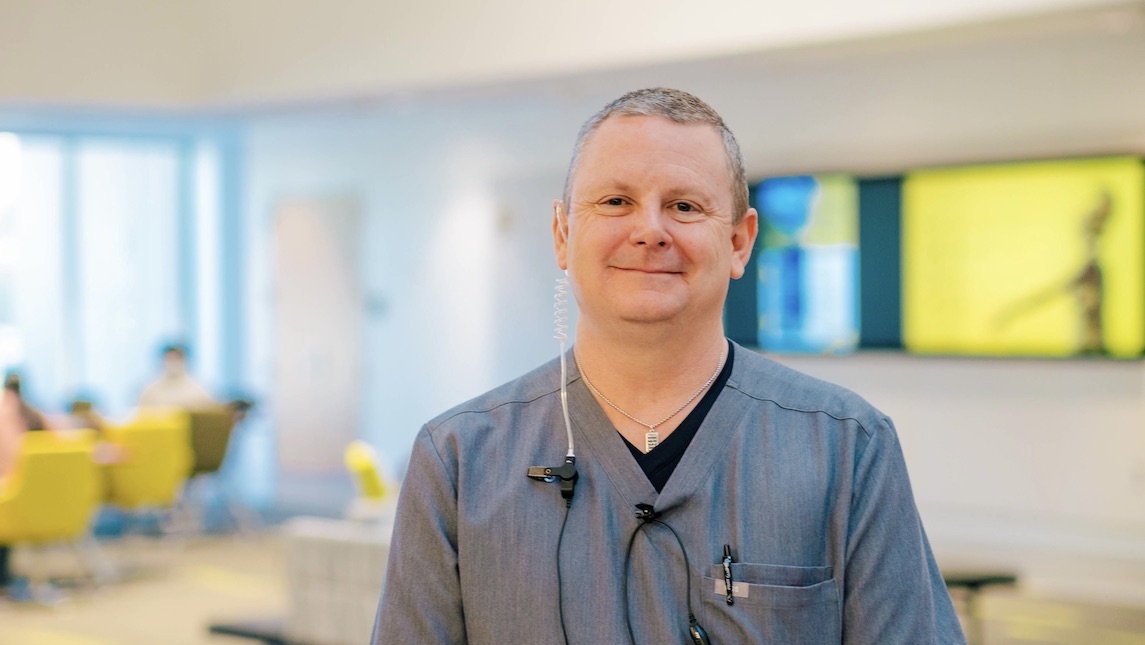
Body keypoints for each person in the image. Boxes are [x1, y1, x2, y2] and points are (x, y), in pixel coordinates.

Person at [373, 88, 965, 643]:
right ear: (561, 232)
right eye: (615, 202)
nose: (649, 230)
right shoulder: (457, 460)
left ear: (739, 243)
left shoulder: (847, 447)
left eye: (683, 206)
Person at [138, 343, 217, 410]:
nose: (173, 363)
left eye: (177, 358)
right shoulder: (150, 390)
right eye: (170, 359)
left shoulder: (199, 389)